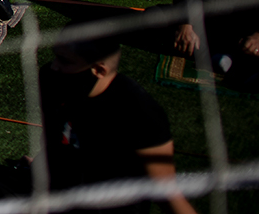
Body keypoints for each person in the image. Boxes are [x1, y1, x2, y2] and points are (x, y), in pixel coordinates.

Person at [38, 31, 198, 214]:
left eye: (65, 61)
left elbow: (166, 193)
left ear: (99, 70)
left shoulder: (141, 113)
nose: (54, 66)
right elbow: (53, 134)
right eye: (55, 56)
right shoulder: (50, 79)